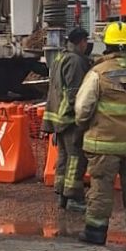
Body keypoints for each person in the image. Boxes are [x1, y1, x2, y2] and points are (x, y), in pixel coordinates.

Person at [75, 21, 126, 247]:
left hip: (103, 144)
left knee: (101, 188)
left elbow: (83, 108)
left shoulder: (97, 73)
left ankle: (96, 232)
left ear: (108, 45)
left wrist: (83, 125)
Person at [42, 27, 93, 213]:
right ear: (81, 42)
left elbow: (54, 91)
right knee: (76, 159)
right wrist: (82, 119)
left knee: (64, 158)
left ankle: (62, 196)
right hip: (70, 120)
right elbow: (74, 94)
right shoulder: (76, 61)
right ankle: (74, 197)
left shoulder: (59, 58)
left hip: (58, 119)